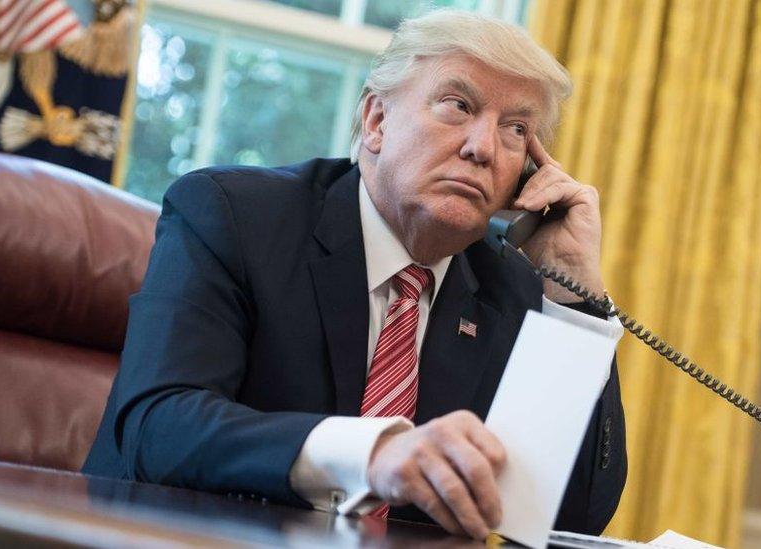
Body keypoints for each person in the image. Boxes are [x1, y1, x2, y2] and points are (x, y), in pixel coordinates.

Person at [83, 9, 626, 540]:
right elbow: (157, 427)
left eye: (516, 130)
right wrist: (372, 452)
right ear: (376, 121)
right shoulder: (233, 216)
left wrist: (573, 300)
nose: (482, 148)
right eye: (458, 106)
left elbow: (567, 519)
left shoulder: (508, 285)